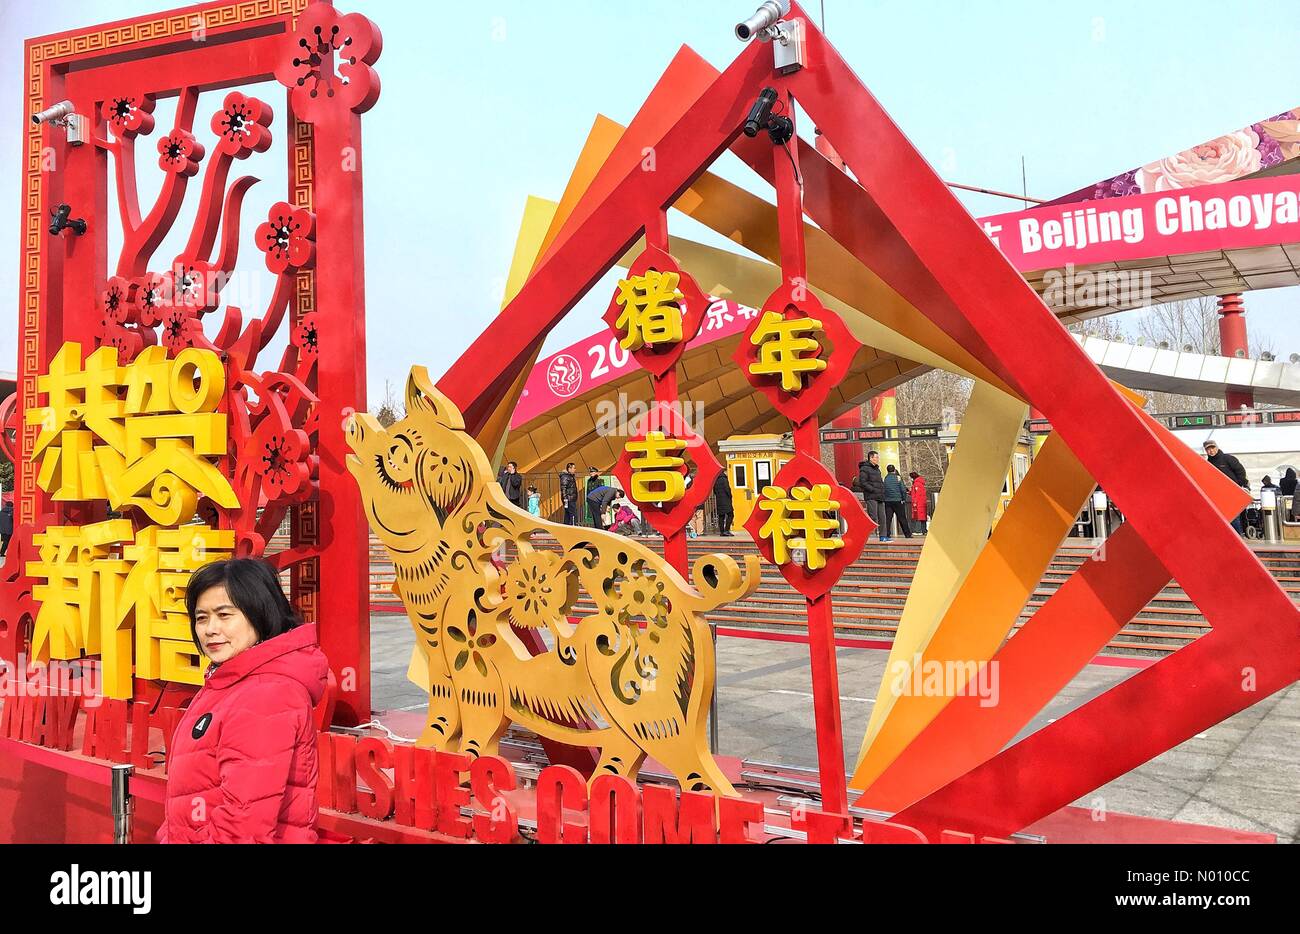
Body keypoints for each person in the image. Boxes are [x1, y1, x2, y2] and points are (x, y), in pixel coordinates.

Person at [159, 558, 328, 843]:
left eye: (224, 615)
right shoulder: (232, 681)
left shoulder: (266, 695)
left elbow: (243, 825)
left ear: (259, 613)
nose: (210, 629)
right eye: (202, 618)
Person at [1203, 440, 1249, 535]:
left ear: (1217, 447)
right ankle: (1229, 536)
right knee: (1222, 517)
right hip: (1218, 495)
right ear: (1206, 451)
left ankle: (1238, 536)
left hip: (1233, 492)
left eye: (1213, 448)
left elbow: (1240, 472)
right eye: (1208, 449)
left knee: (1233, 515)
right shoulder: (1207, 463)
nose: (1211, 451)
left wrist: (1241, 486)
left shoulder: (1228, 458)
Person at [857, 451, 889, 542]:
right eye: (876, 457)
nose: (877, 459)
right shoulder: (864, 469)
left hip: (880, 496)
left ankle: (883, 536)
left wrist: (882, 490)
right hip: (871, 496)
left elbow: (880, 482)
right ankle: (868, 535)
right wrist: (872, 489)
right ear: (871, 458)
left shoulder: (877, 469)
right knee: (873, 516)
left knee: (882, 516)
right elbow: (863, 482)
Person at [883, 464, 913, 538]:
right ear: (894, 470)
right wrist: (903, 499)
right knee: (902, 518)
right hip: (898, 500)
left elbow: (884, 490)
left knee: (888, 518)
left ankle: (887, 533)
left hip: (888, 501)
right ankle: (907, 534)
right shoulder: (898, 478)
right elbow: (903, 490)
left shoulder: (885, 479)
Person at [712, 470, 734, 536]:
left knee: (721, 516)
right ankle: (727, 530)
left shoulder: (715, 480)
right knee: (730, 515)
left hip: (719, 500)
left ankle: (722, 532)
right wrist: (730, 496)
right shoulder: (724, 479)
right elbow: (727, 489)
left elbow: (714, 491)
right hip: (726, 500)